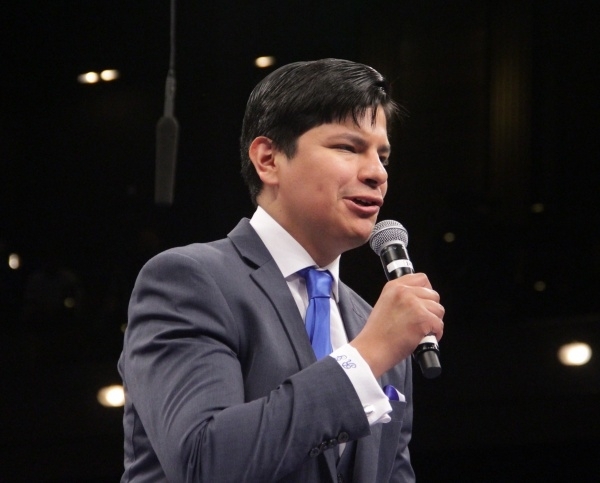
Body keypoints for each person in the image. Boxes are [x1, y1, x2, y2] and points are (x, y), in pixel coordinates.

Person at [118, 58, 445, 482]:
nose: (376, 173)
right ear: (268, 159)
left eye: (383, 156)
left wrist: (375, 349)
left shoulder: (374, 323)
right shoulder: (187, 281)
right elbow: (203, 461)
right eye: (348, 148)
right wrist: (366, 358)